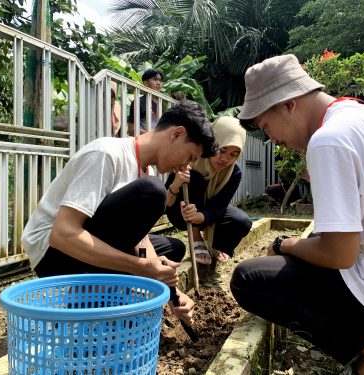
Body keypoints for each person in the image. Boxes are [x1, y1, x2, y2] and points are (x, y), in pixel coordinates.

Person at [230, 54, 364, 375]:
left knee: (250, 280)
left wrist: (286, 244)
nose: (273, 140)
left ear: (288, 104)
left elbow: (339, 254)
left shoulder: (330, 139)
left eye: (266, 126)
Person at [21, 100, 217, 327]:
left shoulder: (146, 169)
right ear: (177, 134)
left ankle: (99, 292)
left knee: (172, 249)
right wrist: (140, 267)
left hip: (82, 241)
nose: (186, 166)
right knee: (154, 193)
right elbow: (62, 234)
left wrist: (170, 290)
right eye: (190, 156)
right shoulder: (106, 154)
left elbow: (139, 236)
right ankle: (89, 303)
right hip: (52, 253)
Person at [165, 116, 252, 265]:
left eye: (233, 155)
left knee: (242, 221)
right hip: (181, 213)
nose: (225, 159)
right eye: (221, 150)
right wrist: (177, 182)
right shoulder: (190, 159)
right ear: (212, 143)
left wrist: (202, 216)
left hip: (207, 213)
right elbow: (165, 202)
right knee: (195, 178)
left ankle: (216, 245)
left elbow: (220, 206)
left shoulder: (233, 173)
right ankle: (196, 235)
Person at [128, 69, 164, 135]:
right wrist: (152, 136)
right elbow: (131, 130)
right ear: (146, 83)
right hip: (142, 142)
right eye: (155, 79)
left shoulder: (161, 104)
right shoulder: (139, 102)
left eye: (160, 80)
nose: (159, 83)